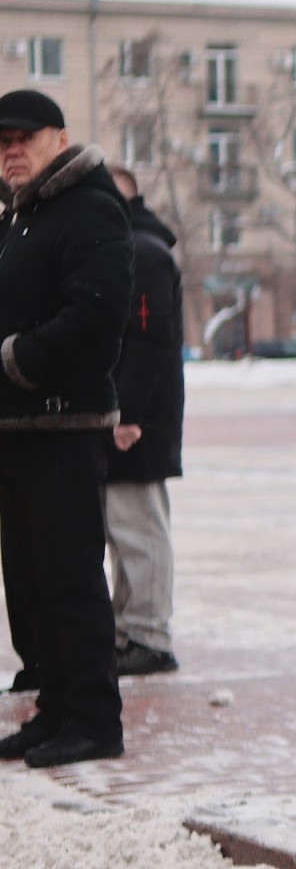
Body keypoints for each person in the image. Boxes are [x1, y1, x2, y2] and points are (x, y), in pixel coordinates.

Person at [0, 91, 133, 766]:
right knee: (25, 582)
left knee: (69, 577)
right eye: (1, 143)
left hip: (64, 423)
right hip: (17, 428)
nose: (11, 151)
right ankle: (55, 709)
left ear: (60, 138)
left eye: (24, 137)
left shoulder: (89, 209)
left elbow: (97, 315)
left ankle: (95, 721)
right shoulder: (20, 218)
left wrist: (18, 359)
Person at [102, 165, 185, 678]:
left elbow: (149, 338)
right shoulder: (126, 247)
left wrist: (128, 414)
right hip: (124, 414)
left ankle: (149, 636)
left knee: (139, 529)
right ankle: (130, 630)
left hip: (138, 421)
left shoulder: (143, 252)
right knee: (123, 528)